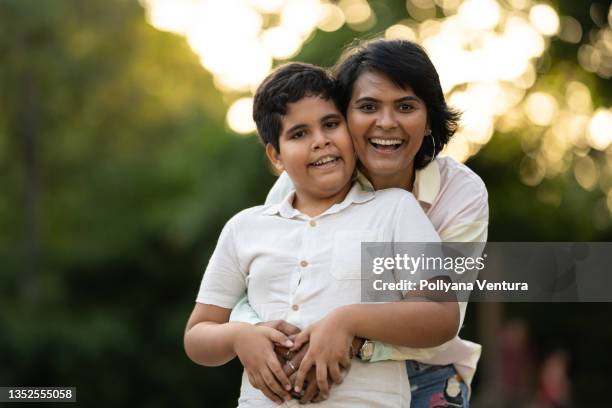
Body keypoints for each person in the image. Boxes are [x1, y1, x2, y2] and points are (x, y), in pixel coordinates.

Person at [230, 39, 489, 408]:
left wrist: (350, 330)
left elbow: (443, 311)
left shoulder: (460, 194)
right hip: (316, 367)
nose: (387, 122)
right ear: (343, 114)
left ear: (429, 117)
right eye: (367, 107)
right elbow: (256, 282)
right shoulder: (301, 180)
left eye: (406, 106)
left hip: (426, 369)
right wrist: (253, 333)